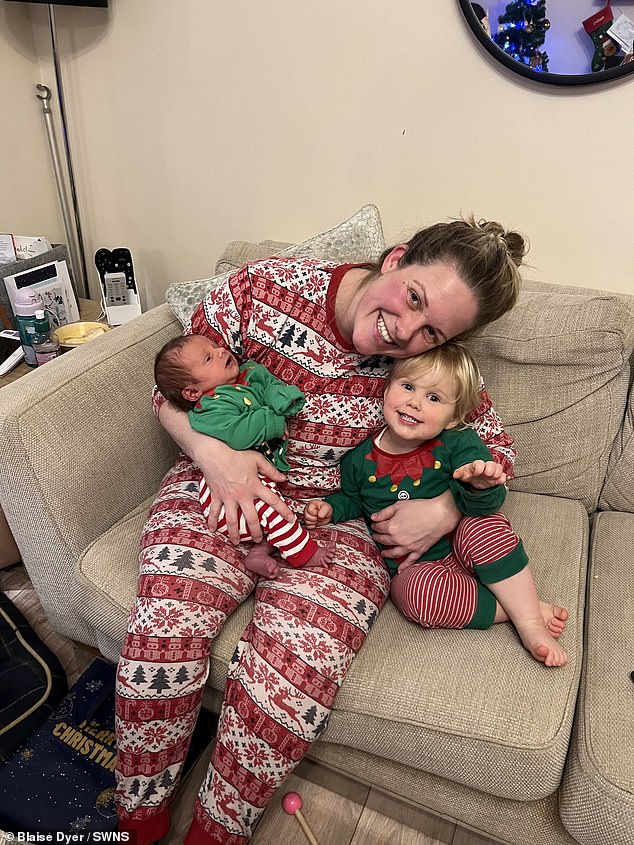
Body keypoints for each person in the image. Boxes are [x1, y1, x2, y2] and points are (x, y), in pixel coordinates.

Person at [115, 216, 527, 845]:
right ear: (394, 261)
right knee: (163, 632)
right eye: (413, 298)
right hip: (225, 483)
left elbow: (494, 451)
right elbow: (172, 388)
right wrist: (215, 460)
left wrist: (445, 507)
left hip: (345, 521)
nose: (404, 333)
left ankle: (215, 832)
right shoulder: (265, 288)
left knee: (287, 681)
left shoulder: (433, 369)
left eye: (432, 331)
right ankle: (139, 815)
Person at [304, 343, 568, 667]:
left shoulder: (458, 442)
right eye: (408, 386)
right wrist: (331, 508)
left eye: (433, 398)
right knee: (410, 595)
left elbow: (490, 503)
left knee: (487, 526)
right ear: (387, 389)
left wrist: (479, 482)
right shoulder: (358, 460)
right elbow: (356, 500)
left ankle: (529, 625)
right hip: (416, 568)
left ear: (453, 416)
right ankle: (520, 608)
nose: (415, 402)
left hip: (463, 540)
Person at [153, 333, 335, 576]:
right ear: (192, 392)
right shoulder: (210, 407)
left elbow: (269, 386)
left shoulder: (248, 374)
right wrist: (275, 418)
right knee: (277, 511)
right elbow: (239, 434)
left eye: (216, 346)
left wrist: (282, 398)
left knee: (273, 510)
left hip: (259, 479)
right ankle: (304, 554)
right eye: (208, 358)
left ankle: (260, 552)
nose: (221, 351)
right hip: (224, 492)